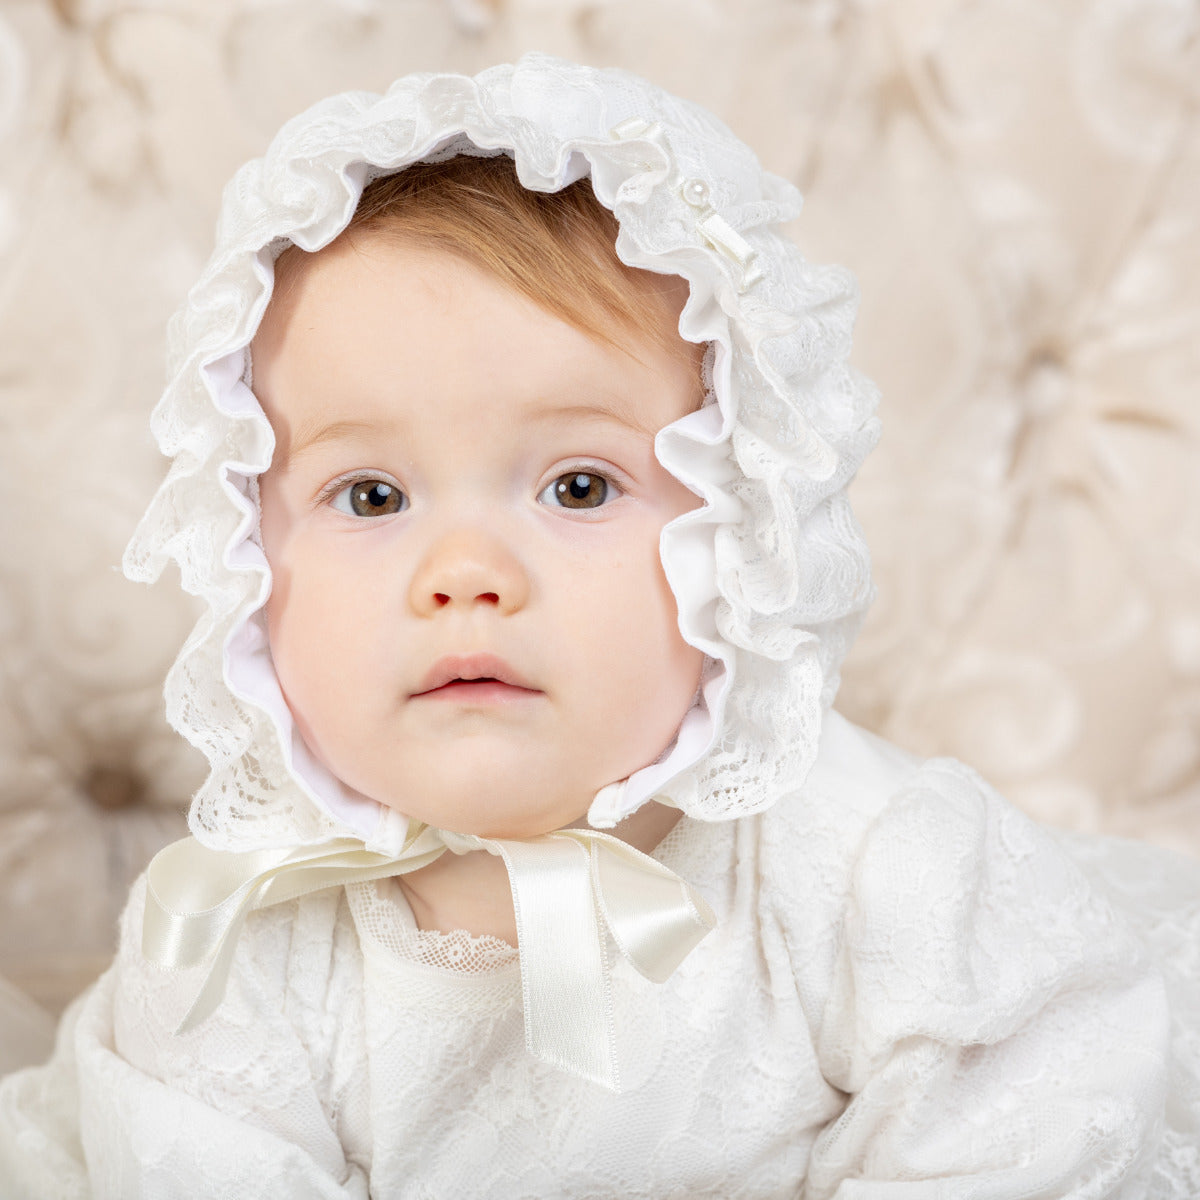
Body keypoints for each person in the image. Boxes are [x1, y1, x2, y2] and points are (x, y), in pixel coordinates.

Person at [1, 53, 1197, 1198]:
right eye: (370, 496)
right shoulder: (225, 938)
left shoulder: (886, 874)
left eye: (579, 486)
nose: (465, 575)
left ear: (745, 533)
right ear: (245, 557)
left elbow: (1030, 1133)